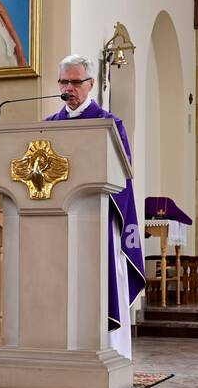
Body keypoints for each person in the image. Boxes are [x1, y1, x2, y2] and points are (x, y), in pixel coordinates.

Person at [44, 55, 145, 359]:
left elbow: (123, 176)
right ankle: (64, 352)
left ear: (90, 85)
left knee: (100, 285)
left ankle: (109, 353)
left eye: (76, 82)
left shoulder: (109, 125)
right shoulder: (49, 127)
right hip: (60, 221)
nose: (69, 88)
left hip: (100, 219)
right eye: (64, 82)